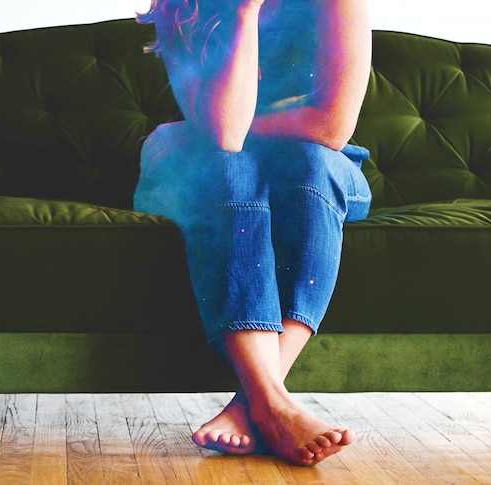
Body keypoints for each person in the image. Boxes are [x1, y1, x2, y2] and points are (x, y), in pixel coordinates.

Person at [134, 0, 372, 466]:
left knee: (308, 166)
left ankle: (256, 404)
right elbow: (225, 135)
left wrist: (204, 131)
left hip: (317, 165)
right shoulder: (182, 7)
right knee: (229, 168)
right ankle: (275, 405)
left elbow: (330, 126)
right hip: (209, 167)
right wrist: (244, 12)